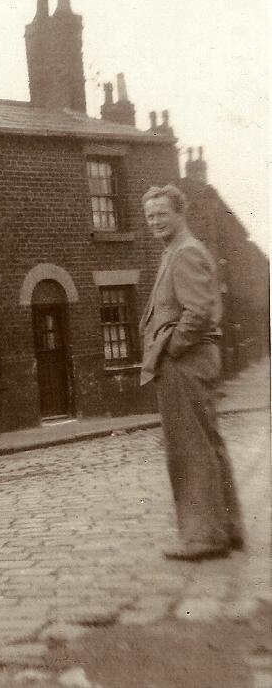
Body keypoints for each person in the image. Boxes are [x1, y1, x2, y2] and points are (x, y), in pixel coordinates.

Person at [140, 184, 244, 561]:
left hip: (186, 363)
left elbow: (198, 313)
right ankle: (227, 530)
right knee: (207, 443)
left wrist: (171, 349)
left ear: (179, 213)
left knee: (190, 449)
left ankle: (203, 538)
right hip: (192, 361)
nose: (154, 221)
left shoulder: (184, 252)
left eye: (161, 214)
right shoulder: (177, 251)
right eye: (149, 216)